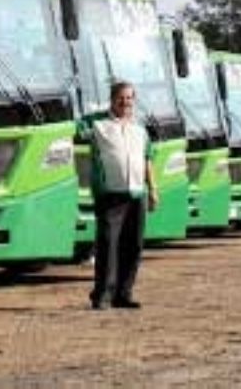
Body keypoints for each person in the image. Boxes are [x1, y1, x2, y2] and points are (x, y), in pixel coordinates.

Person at [84, 80, 157, 310]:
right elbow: (73, 127)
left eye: (129, 98)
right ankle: (102, 295)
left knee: (133, 245)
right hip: (110, 195)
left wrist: (153, 189)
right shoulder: (97, 125)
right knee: (108, 245)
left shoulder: (140, 130)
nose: (125, 102)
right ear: (112, 99)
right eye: (121, 97)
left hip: (137, 194)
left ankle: (123, 294)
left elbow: (148, 159)